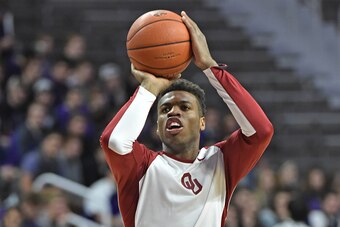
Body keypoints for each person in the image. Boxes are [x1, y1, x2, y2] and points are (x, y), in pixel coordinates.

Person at [100, 11, 274, 227]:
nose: (173, 112)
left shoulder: (219, 161)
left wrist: (210, 67)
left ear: (203, 121)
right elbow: (114, 141)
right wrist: (149, 88)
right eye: (164, 109)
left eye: (184, 107)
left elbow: (261, 130)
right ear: (158, 127)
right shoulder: (142, 167)